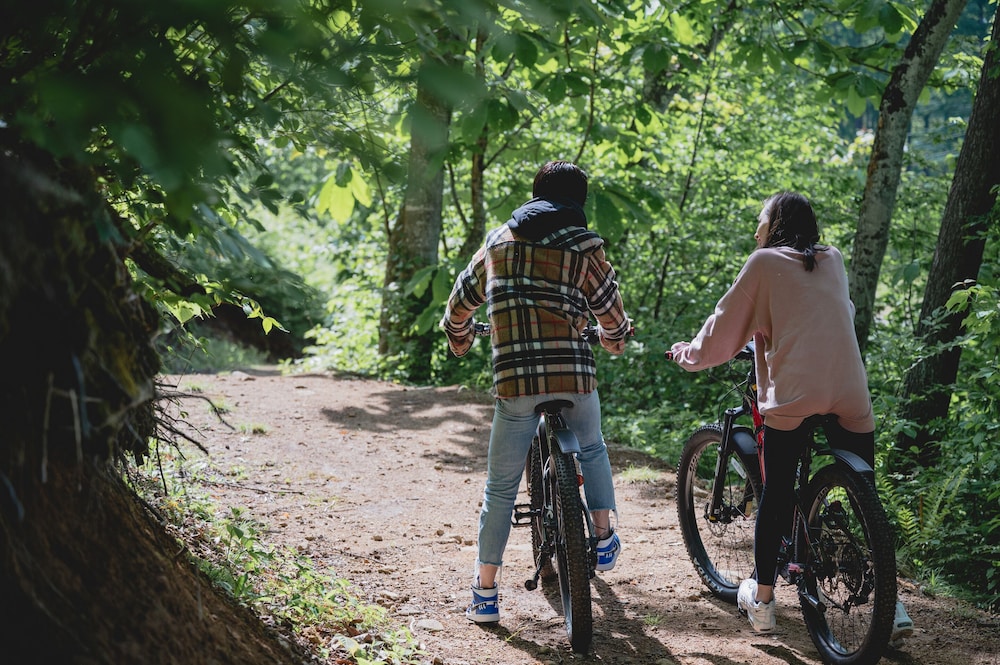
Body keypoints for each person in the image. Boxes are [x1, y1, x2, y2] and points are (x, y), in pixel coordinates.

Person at [669, 191, 914, 644]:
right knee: (865, 499)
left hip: (794, 397)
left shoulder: (763, 262)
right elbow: (828, 315)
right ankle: (889, 603)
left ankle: (762, 604)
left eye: (760, 221)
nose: (755, 230)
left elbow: (723, 329)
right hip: (849, 391)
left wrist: (688, 354)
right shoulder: (833, 258)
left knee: (778, 494)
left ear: (775, 223)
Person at [441, 160, 632, 624]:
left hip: (515, 382)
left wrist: (460, 336)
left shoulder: (497, 242)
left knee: (500, 487)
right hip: (573, 376)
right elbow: (609, 311)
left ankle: (485, 594)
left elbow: (460, 305)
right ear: (578, 203)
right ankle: (603, 537)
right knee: (592, 447)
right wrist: (615, 336)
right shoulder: (585, 246)